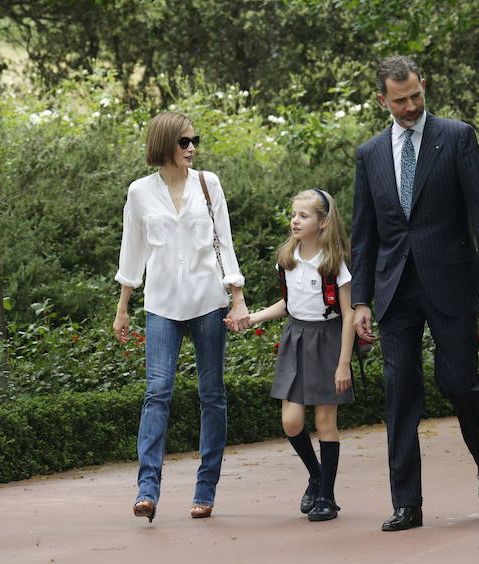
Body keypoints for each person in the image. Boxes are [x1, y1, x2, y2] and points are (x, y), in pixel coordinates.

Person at [351, 56, 479, 532]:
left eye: (416, 95)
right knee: (400, 392)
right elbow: (363, 235)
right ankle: (407, 503)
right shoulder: (369, 153)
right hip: (394, 289)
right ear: (383, 101)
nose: (411, 105)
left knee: (460, 383)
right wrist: (360, 300)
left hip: (453, 281)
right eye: (400, 100)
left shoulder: (457, 136)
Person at [113, 111, 249, 524]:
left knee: (212, 394)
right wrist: (123, 305)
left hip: (209, 301)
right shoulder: (139, 192)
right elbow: (132, 250)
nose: (192, 148)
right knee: (157, 391)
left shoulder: (209, 184)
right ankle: (146, 491)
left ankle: (205, 490)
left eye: (195, 141)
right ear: (164, 145)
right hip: (161, 306)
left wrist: (237, 296)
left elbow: (223, 240)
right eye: (184, 141)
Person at [227, 188, 355, 521]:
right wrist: (251, 317)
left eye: (303, 215)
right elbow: (289, 304)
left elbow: (349, 314)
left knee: (325, 422)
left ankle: (327, 497)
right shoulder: (288, 258)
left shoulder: (335, 263)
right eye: (294, 214)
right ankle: (316, 474)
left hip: (327, 341)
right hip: (296, 338)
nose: (294, 221)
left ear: (323, 222)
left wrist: (343, 364)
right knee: (291, 422)